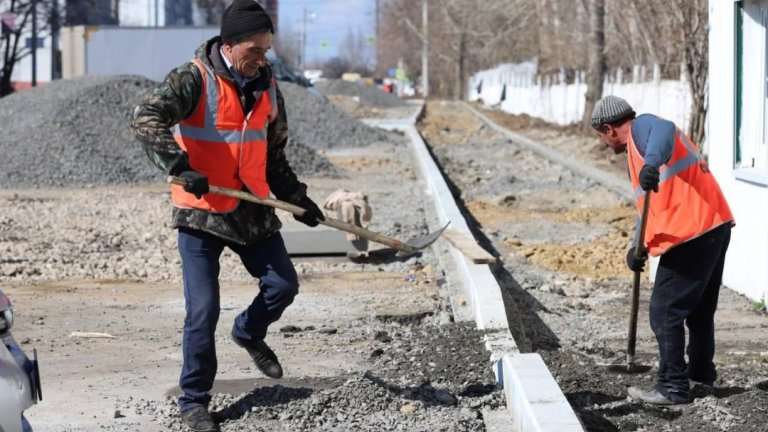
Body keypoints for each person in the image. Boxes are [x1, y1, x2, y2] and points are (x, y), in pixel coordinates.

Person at [131, 1, 325, 430]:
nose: (262, 57)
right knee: (202, 310)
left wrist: (298, 198)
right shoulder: (192, 79)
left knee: (283, 285)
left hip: (251, 208)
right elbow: (145, 117)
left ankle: (249, 332)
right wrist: (178, 166)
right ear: (231, 44)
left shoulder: (268, 86)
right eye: (255, 49)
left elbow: (274, 154)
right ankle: (194, 402)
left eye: (267, 49)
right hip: (200, 213)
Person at [591, 95, 735, 405]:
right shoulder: (637, 152)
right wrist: (637, 247)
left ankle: (672, 387)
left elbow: (664, 128)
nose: (604, 144)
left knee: (664, 312)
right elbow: (650, 206)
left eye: (601, 136)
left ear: (608, 128)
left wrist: (652, 162)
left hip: (691, 234)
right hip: (713, 225)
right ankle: (700, 378)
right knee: (698, 313)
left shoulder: (643, 128)